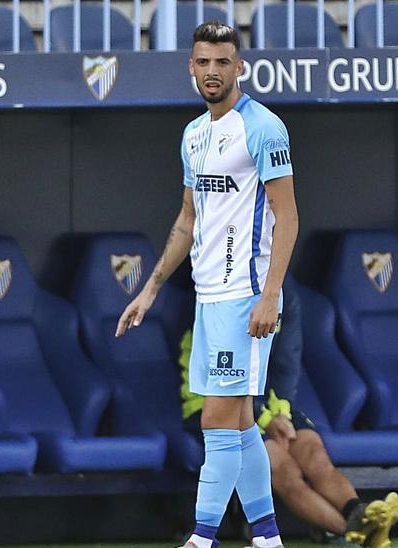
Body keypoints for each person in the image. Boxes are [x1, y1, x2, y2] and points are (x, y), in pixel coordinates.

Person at [116, 21, 298, 548]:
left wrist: (269, 294)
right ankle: (267, 539)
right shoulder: (193, 134)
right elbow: (187, 220)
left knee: (216, 423)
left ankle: (202, 538)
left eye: (223, 62)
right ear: (191, 67)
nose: (213, 72)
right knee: (239, 426)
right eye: (204, 62)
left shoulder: (264, 128)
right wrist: (149, 289)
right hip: (209, 297)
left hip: (246, 296)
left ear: (240, 66)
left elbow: (287, 217)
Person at [180, 285, 398, 547]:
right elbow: (224, 379)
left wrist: (281, 415)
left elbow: (286, 363)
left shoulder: (286, 298)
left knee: (313, 453)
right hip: (212, 401)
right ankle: (354, 532)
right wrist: (265, 420)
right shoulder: (221, 294)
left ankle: (358, 513)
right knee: (283, 468)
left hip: (264, 401)